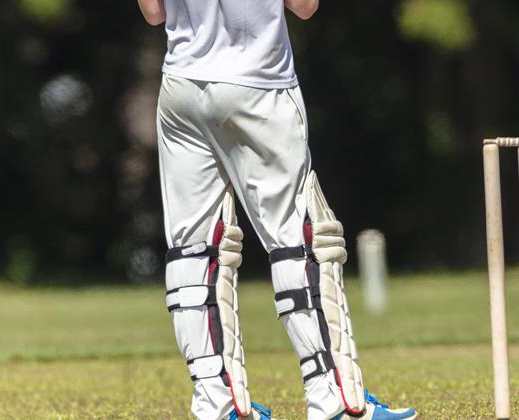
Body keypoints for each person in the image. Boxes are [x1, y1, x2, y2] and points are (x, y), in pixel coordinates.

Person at [137, 0, 418, 419]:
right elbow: (304, 7)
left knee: (194, 251)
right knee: (301, 240)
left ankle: (217, 404)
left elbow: (154, 13)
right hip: (259, 83)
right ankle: (336, 401)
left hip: (182, 85)